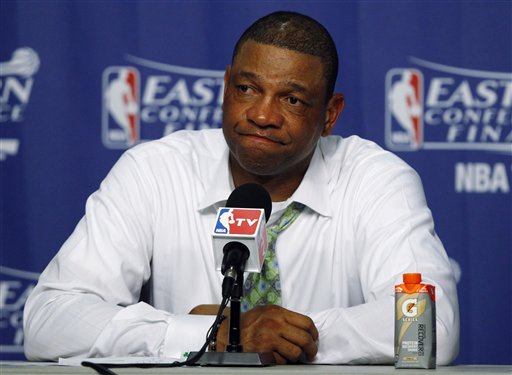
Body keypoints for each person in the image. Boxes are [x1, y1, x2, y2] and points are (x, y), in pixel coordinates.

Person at [23, 11, 459, 365]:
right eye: (247, 89)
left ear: (330, 114)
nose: (262, 115)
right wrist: (206, 335)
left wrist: (278, 334)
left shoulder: (375, 179)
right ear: (225, 87)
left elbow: (429, 327)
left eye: (292, 99)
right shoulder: (154, 171)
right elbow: (48, 320)